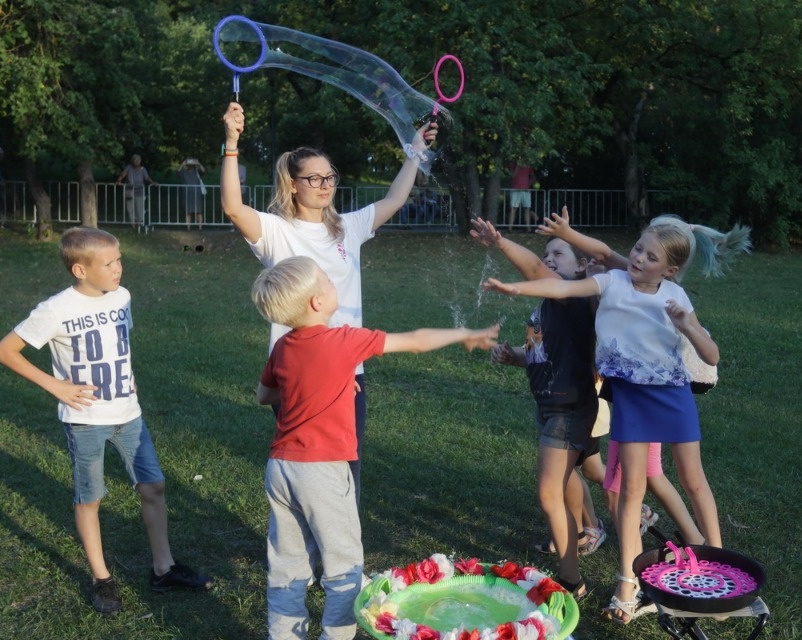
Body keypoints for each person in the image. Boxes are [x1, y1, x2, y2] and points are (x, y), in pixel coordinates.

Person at [483, 208, 750, 624]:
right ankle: (627, 581)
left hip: (673, 396)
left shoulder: (675, 296)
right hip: (629, 400)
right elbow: (564, 286)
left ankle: (717, 562)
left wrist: (688, 327)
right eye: (638, 249)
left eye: (649, 256)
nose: (639, 258)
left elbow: (712, 355)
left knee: (695, 482)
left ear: (671, 269)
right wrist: (513, 289)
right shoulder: (611, 282)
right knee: (631, 494)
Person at [251, 256, 499, 640]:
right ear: (317, 302)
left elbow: (264, 395)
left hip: (281, 467)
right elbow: (416, 342)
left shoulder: (283, 346)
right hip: (323, 472)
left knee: (287, 568)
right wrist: (463, 333)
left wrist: (316, 388)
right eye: (326, 280)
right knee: (345, 571)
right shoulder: (345, 339)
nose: (333, 283)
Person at [220, 101, 437, 504]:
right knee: (304, 468)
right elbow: (233, 207)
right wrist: (231, 143)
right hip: (298, 371)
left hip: (347, 370)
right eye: (313, 178)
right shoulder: (276, 231)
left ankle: (340, 556)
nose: (324, 184)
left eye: (329, 177)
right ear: (292, 184)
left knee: (346, 467)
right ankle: (307, 547)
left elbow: (394, 199)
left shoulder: (347, 227)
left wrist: (415, 151)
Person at [0, 227, 214, 614]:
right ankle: (102, 578)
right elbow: (5, 351)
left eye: (119, 260)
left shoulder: (122, 297)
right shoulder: (56, 309)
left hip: (129, 414)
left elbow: (120, 347)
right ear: (80, 269)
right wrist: (56, 386)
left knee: (154, 486)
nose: (118, 268)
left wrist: (132, 384)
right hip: (86, 421)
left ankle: (163, 569)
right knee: (90, 497)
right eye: (109, 263)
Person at [469, 216, 598, 599]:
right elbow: (548, 354)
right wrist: (518, 358)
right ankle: (576, 539)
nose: (550, 259)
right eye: (548, 253)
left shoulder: (573, 294)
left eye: (559, 252)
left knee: (548, 493)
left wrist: (501, 242)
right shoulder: (548, 305)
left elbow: (536, 270)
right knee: (570, 480)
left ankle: (572, 582)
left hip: (568, 408)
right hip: (550, 404)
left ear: (580, 266)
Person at [115, 154, 158, 232]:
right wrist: (119, 180)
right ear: (132, 161)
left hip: (140, 191)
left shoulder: (143, 169)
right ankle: (133, 224)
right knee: (130, 208)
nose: (137, 162)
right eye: (136, 160)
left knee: (140, 208)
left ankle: (139, 223)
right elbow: (123, 174)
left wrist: (152, 182)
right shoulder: (129, 167)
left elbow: (147, 177)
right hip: (130, 190)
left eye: (139, 160)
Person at [179, 157, 207, 230]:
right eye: (189, 163)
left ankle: (200, 227)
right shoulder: (184, 172)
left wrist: (198, 163)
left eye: (191, 163)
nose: (190, 165)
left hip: (197, 194)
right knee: (188, 212)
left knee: (199, 211)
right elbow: (178, 172)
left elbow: (203, 171)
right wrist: (183, 164)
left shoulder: (197, 171)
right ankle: (188, 227)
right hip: (187, 194)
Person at [508, 163, 537, 227]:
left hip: (525, 190)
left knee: (527, 209)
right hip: (515, 189)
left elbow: (533, 176)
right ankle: (510, 228)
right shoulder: (513, 165)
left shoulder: (528, 165)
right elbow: (512, 176)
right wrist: (517, 166)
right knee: (513, 209)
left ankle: (528, 228)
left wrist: (528, 184)